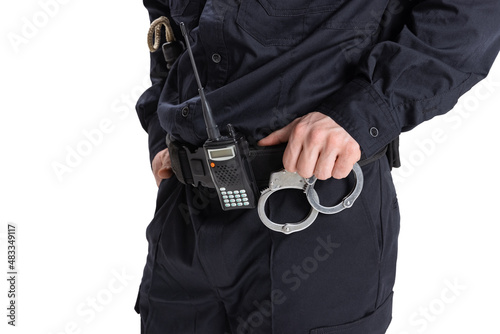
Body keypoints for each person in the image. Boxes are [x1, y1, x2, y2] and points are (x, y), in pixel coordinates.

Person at [134, 1, 500, 333]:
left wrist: (366, 110)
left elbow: (473, 12)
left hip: (312, 216)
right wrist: (159, 128)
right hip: (183, 216)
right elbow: (166, 21)